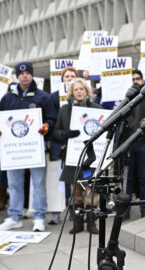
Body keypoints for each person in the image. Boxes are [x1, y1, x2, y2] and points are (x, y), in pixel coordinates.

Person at [0, 62, 56, 232]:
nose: (25, 76)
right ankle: (15, 217)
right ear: (17, 76)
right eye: (21, 73)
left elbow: (52, 119)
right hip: (14, 150)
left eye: (28, 72)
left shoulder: (43, 97)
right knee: (14, 184)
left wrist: (46, 127)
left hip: (35, 148)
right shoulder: (8, 98)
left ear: (32, 74)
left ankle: (39, 216)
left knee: (38, 184)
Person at [53, 78, 100, 234]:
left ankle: (91, 223)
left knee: (91, 190)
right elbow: (56, 133)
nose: (79, 91)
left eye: (81, 89)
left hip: (90, 160)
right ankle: (78, 224)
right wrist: (65, 134)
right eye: (75, 89)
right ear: (71, 92)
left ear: (87, 91)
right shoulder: (65, 110)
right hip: (73, 159)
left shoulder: (96, 109)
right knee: (76, 192)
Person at [121, 70, 145, 218]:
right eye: (132, 79)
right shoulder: (126, 100)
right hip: (128, 144)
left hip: (143, 143)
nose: (135, 81)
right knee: (127, 178)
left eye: (138, 78)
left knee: (144, 177)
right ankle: (125, 209)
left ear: (142, 80)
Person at [48, 66, 79, 225]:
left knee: (77, 178)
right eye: (67, 76)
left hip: (77, 144)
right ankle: (59, 211)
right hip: (59, 144)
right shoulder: (53, 97)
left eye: (72, 75)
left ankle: (77, 209)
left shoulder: (83, 97)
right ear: (62, 79)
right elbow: (53, 122)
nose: (70, 78)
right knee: (60, 178)